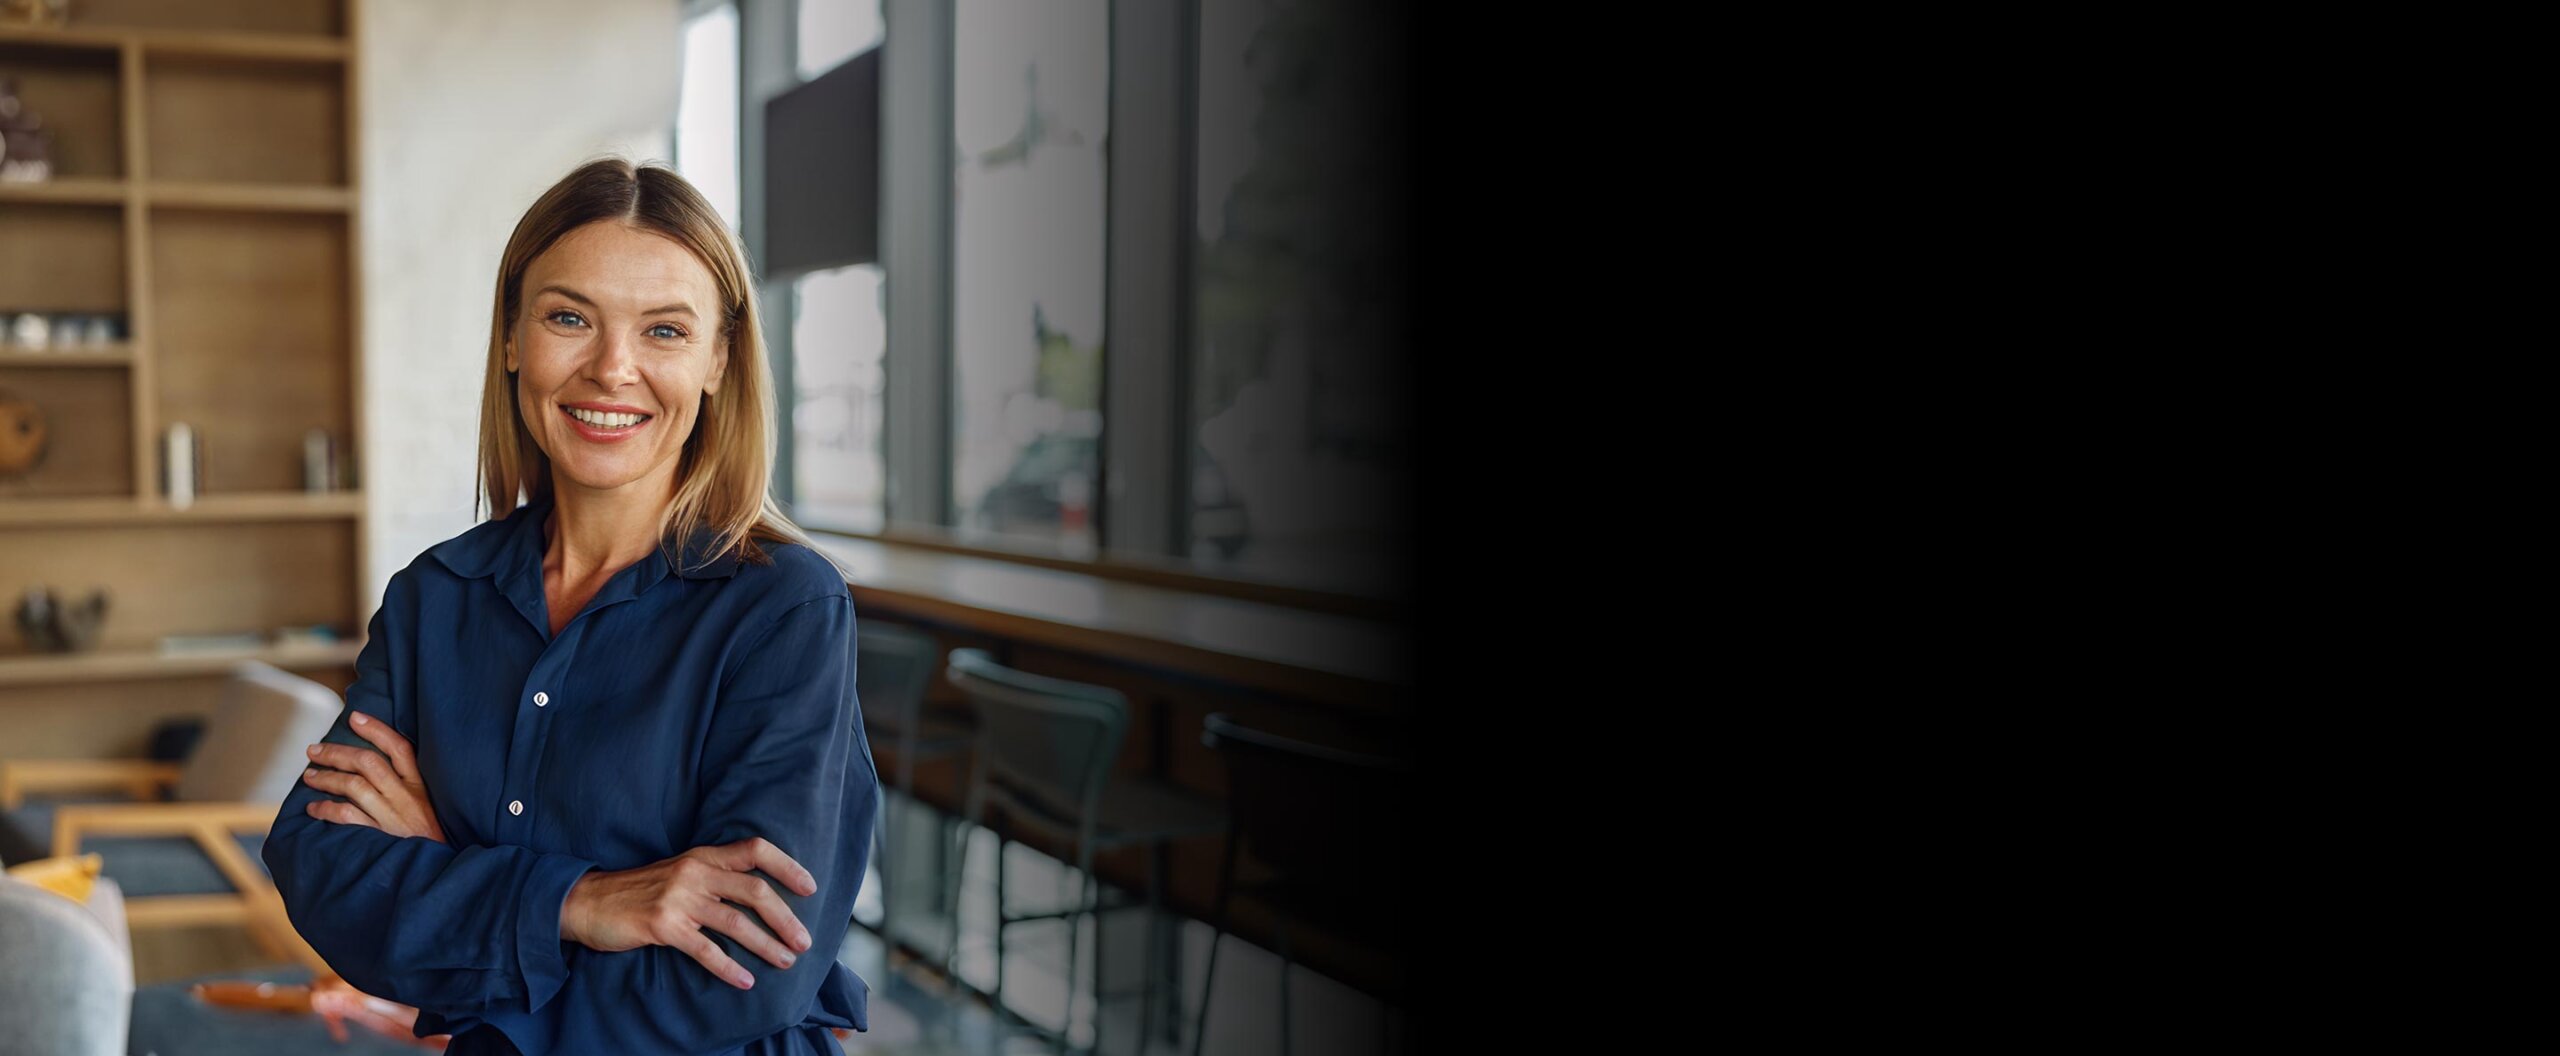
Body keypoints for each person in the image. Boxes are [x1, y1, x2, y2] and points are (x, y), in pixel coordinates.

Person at [262, 158, 880, 1056]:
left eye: (664, 330)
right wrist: (581, 904)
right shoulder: (436, 598)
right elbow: (322, 873)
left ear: (717, 361)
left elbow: (741, 984)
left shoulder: (783, 610)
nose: (612, 368)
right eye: (568, 318)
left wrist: (451, 882)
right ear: (513, 337)